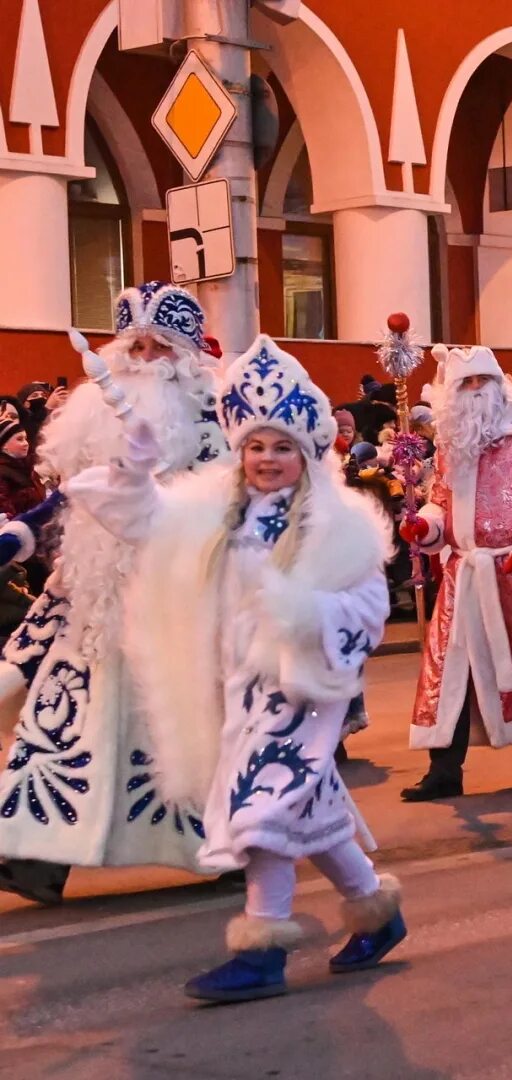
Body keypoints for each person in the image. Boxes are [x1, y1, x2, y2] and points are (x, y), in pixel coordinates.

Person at [63, 335, 403, 1001]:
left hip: (297, 688)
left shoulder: (338, 525)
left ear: (305, 453)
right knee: (311, 805)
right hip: (236, 689)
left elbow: (368, 605)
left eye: (281, 448)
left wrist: (302, 612)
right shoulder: (214, 509)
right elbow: (146, 520)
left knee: (263, 809)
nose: (267, 459)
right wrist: (134, 467)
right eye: (256, 446)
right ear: (239, 448)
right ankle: (376, 911)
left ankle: (262, 947)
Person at [0, 283, 227, 905]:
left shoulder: (213, 420)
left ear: (184, 353)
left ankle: (221, 844)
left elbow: (229, 502)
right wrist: (18, 536)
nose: (143, 357)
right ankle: (33, 854)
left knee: (177, 728)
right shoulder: (99, 414)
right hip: (92, 600)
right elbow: (72, 496)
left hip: (174, 600)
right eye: (133, 345)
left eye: (158, 346)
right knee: (60, 724)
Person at [400, 344, 512, 801]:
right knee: (448, 670)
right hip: (465, 572)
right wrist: (427, 526)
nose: (476, 390)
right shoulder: (452, 441)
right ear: (453, 392)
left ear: (501, 384)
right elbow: (441, 500)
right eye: (466, 383)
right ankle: (444, 769)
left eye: (484, 380)